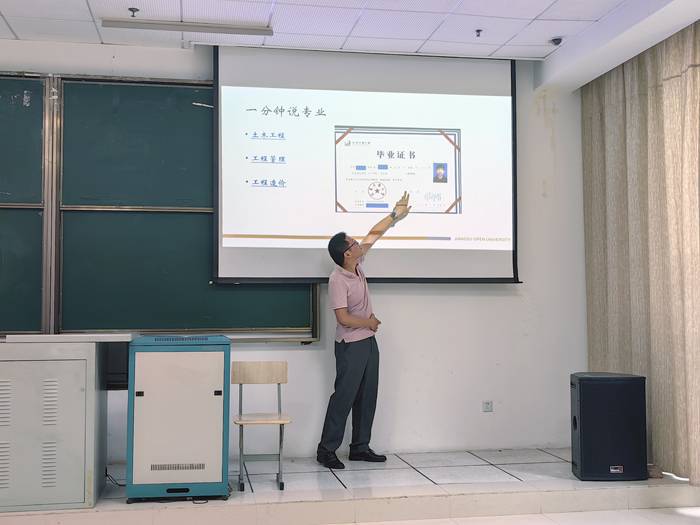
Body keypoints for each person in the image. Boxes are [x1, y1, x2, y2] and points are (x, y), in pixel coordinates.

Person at [317, 191, 411, 469]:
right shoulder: (338, 279)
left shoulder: (357, 265)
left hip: (368, 342)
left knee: (368, 394)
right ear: (347, 253)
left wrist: (395, 214)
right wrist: (368, 322)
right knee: (344, 396)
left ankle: (360, 447)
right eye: (354, 243)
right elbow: (343, 317)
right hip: (350, 345)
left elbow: (373, 234)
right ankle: (326, 450)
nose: (360, 244)